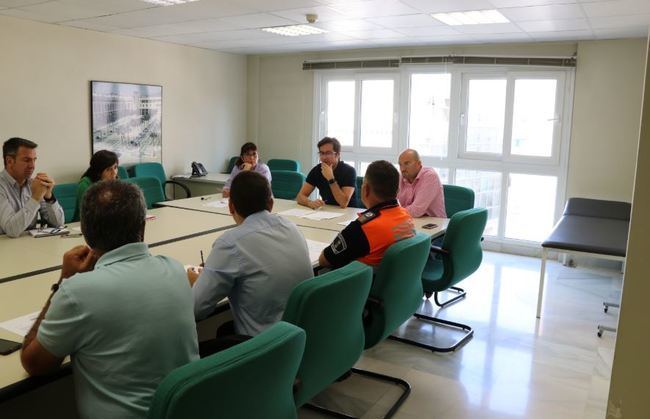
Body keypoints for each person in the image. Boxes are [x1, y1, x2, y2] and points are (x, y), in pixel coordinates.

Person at [21, 181, 199, 419]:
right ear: (143, 224)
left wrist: (64, 280)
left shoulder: (77, 292)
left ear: (85, 231)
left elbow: (33, 363)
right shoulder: (176, 270)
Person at [189, 171, 312, 355]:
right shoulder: (292, 227)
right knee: (224, 330)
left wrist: (197, 281)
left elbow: (196, 308)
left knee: (194, 352)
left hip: (263, 349)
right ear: (271, 204)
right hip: (297, 337)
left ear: (230, 207)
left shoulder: (230, 243)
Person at [319, 160, 414, 269]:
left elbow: (324, 261)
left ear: (365, 189)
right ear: (397, 191)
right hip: (395, 282)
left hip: (363, 285)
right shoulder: (405, 215)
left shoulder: (361, 228)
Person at [0, 137, 64, 237]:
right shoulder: (1, 186)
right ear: (9, 161)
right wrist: (35, 198)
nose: (32, 166)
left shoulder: (33, 184)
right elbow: (11, 230)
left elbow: (58, 224)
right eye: (27, 160)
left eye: (34, 160)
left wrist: (49, 197)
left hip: (30, 245)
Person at [297, 137, 356, 209]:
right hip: (327, 211)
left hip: (349, 212)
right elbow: (300, 196)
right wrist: (310, 203)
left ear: (337, 155)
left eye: (328, 153)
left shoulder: (349, 171)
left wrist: (331, 178)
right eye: (321, 153)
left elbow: (343, 203)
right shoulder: (317, 170)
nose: (324, 157)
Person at [397, 148, 446, 218]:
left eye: (407, 164)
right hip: (411, 220)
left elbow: (416, 210)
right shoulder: (401, 176)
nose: (402, 169)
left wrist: (393, 213)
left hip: (435, 224)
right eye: (400, 165)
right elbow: (387, 200)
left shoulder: (430, 176)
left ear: (419, 164)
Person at [74, 149, 119, 220]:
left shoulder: (115, 182)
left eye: (115, 167)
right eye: (108, 169)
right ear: (99, 171)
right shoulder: (85, 184)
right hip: (84, 225)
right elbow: (89, 213)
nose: (114, 173)